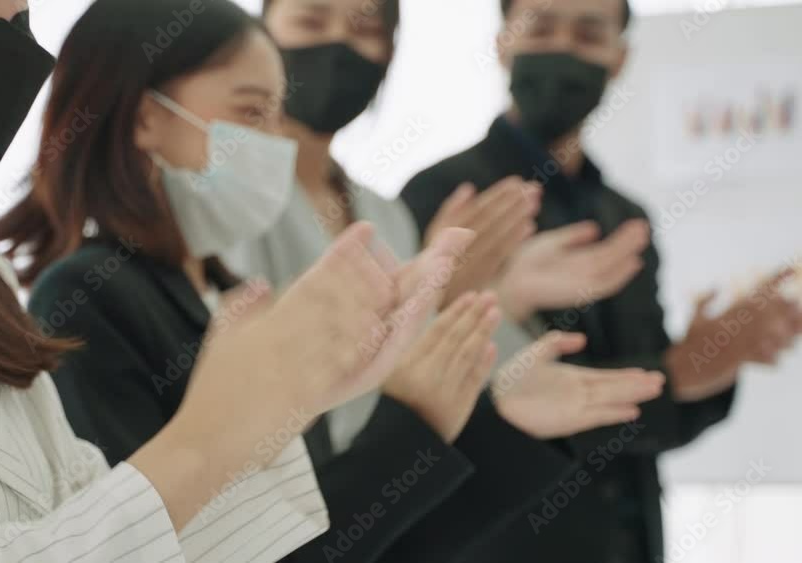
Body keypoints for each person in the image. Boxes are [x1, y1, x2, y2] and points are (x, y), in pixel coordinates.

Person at [0, 0, 444, 561]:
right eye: (252, 113)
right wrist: (215, 437)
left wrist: (280, 406)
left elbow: (97, 520)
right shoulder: (88, 295)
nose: (22, 13)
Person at [0, 0, 508, 561]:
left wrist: (501, 430)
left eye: (277, 115)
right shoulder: (84, 298)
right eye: (252, 113)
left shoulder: (238, 297)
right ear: (146, 120)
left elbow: (323, 529)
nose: (276, 144)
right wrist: (410, 421)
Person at [221, 0, 667, 560]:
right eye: (312, 20)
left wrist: (491, 301)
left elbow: (430, 370)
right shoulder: (224, 194)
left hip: (390, 515)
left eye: (365, 29)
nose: (338, 46)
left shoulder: (383, 215)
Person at [400, 1, 802, 562]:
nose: (564, 48)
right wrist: (676, 374)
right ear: (502, 42)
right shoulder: (447, 195)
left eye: (588, 34)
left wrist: (718, 355)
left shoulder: (624, 215)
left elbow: (662, 412)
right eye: (542, 27)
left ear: (619, 59)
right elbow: (445, 412)